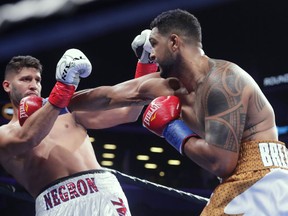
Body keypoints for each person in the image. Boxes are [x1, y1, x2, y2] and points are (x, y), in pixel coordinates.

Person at [0, 47, 185, 215]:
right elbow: (28, 138)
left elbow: (128, 112)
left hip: (101, 192)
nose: (33, 85)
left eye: (37, 80)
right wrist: (62, 90)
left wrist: (146, 64)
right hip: (56, 205)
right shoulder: (5, 133)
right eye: (25, 79)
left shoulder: (67, 111)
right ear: (7, 85)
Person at [139, 9, 288, 215]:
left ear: (174, 43)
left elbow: (221, 163)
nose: (154, 54)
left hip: (260, 176)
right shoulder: (179, 89)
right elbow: (124, 95)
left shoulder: (221, 80)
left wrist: (171, 128)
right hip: (256, 179)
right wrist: (144, 61)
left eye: (155, 45)